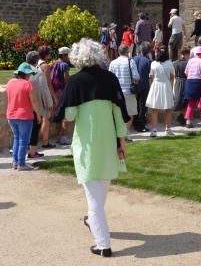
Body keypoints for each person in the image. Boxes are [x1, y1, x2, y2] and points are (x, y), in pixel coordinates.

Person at [60, 38, 130, 258]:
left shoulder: (75, 82)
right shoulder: (109, 79)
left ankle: (103, 245)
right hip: (108, 144)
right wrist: (121, 142)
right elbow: (119, 114)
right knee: (99, 196)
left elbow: (69, 115)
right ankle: (92, 222)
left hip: (87, 147)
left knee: (94, 200)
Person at [6, 62, 41, 171]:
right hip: (24, 116)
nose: (30, 76)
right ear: (26, 74)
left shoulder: (10, 83)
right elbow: (34, 101)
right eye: (30, 74)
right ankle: (21, 164)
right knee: (23, 141)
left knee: (17, 139)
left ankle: (15, 162)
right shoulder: (27, 84)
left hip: (11, 115)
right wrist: (38, 114)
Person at [25, 51, 53, 159]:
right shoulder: (38, 72)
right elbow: (44, 90)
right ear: (37, 60)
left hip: (22, 105)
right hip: (34, 106)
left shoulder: (20, 72)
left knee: (23, 130)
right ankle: (33, 152)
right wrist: (49, 103)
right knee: (34, 128)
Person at [108, 44, 140, 132]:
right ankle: (125, 133)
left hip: (116, 93)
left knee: (118, 114)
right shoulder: (130, 61)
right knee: (130, 114)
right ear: (127, 52)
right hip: (128, 91)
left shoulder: (113, 63)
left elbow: (109, 78)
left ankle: (120, 134)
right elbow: (136, 77)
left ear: (118, 52)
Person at [146, 47, 176, 137]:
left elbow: (151, 76)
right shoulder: (170, 63)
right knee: (168, 109)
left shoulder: (153, 64)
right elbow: (172, 76)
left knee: (154, 109)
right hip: (166, 85)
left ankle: (154, 130)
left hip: (156, 85)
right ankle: (168, 129)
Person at [183, 47, 201, 128]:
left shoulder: (190, 61)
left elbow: (186, 73)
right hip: (199, 83)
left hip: (189, 83)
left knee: (191, 103)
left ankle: (188, 122)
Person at [50, 46, 72, 145]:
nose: (69, 57)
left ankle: (59, 136)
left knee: (58, 115)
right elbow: (67, 80)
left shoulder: (54, 64)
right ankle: (63, 137)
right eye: (68, 55)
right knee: (65, 115)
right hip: (63, 92)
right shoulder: (64, 65)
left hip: (55, 92)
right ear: (64, 55)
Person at [37, 45, 57, 149]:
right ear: (47, 54)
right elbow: (48, 84)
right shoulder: (46, 66)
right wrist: (54, 97)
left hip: (34, 93)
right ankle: (45, 142)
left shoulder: (34, 64)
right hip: (43, 94)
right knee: (46, 118)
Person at [132, 43, 152, 132]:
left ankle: (135, 123)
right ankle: (141, 125)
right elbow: (150, 75)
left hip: (135, 85)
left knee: (136, 105)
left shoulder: (133, 59)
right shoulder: (148, 61)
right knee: (142, 106)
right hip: (144, 85)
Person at [172, 47, 190, 126]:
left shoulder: (175, 63)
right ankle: (182, 117)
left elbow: (174, 75)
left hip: (177, 82)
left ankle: (180, 116)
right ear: (186, 54)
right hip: (185, 81)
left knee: (178, 99)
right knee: (185, 100)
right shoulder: (187, 63)